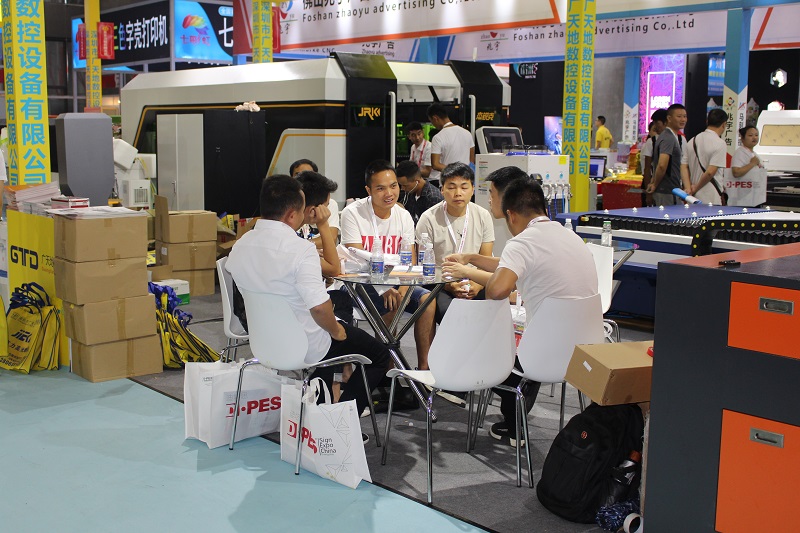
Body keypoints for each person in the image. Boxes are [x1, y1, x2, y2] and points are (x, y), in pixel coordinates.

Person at [225, 175, 390, 420]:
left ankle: (320, 405)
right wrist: (337, 331)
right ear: (292, 215)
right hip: (305, 344)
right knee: (379, 354)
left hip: (262, 341)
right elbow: (320, 309)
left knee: (339, 308)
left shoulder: (241, 245)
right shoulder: (301, 250)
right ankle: (338, 422)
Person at [483, 178, 598, 446]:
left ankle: (513, 423)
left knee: (487, 351)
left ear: (511, 215)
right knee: (525, 342)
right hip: (585, 353)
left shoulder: (522, 243)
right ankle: (515, 420)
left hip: (542, 354)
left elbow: (496, 291)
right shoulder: (572, 237)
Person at [340, 160, 436, 371]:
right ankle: (384, 370)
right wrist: (385, 288)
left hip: (396, 281)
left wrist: (402, 289)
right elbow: (356, 259)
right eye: (381, 188)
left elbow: (410, 260)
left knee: (427, 300)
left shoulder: (403, 215)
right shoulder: (353, 213)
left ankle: (424, 369)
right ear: (368, 190)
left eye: (393, 186)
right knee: (390, 305)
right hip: (360, 283)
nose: (389, 193)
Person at [416, 162, 494, 322]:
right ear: (442, 190)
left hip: (475, 280)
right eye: (451, 187)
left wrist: (477, 285)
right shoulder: (428, 218)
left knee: (496, 309)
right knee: (451, 315)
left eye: (464, 187)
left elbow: (486, 260)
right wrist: (449, 285)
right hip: (440, 283)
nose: (458, 193)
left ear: (473, 189)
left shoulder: (483, 215)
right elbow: (424, 265)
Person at [442, 165, 529, 290]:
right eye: (451, 187)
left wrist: (467, 273)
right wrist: (470, 258)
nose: (489, 200)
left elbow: (501, 286)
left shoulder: (520, 241)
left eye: (492, 194)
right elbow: (506, 264)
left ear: (506, 197)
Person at [681, 108, 728, 205]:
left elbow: (683, 166)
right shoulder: (720, 143)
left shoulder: (692, 141)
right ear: (724, 124)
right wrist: (696, 187)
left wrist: (688, 188)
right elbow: (710, 172)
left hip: (692, 198)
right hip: (711, 196)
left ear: (707, 121)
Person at [646, 103, 689, 206]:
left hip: (669, 190)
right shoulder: (668, 138)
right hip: (667, 191)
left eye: (684, 116)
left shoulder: (669, 136)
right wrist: (655, 184)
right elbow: (661, 165)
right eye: (679, 116)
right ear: (669, 118)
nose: (683, 119)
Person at [290, 159, 339, 242]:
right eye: (298, 174)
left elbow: (333, 238)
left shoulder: (329, 202)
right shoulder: (286, 206)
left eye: (308, 174)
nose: (303, 178)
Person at [427, 103, 475, 187]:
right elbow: (471, 161)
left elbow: (435, 164)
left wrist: (455, 171)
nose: (433, 125)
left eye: (432, 122)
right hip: (465, 183)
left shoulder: (438, 137)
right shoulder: (467, 133)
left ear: (435, 118)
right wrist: (462, 172)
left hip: (448, 183)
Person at [396, 160, 443, 225]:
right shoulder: (410, 192)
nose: (402, 188)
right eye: (401, 185)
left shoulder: (433, 198)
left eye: (405, 185)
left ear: (417, 181)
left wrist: (404, 212)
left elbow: (429, 227)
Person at [730, 125, 767, 206]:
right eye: (750, 135)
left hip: (755, 196)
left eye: (756, 135)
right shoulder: (740, 152)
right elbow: (736, 172)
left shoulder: (754, 154)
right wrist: (752, 164)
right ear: (742, 138)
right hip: (744, 197)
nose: (754, 137)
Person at [640, 109, 667, 206]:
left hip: (673, 187)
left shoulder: (680, 140)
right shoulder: (652, 142)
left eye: (657, 123)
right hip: (656, 186)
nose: (655, 126)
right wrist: (649, 193)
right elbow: (647, 168)